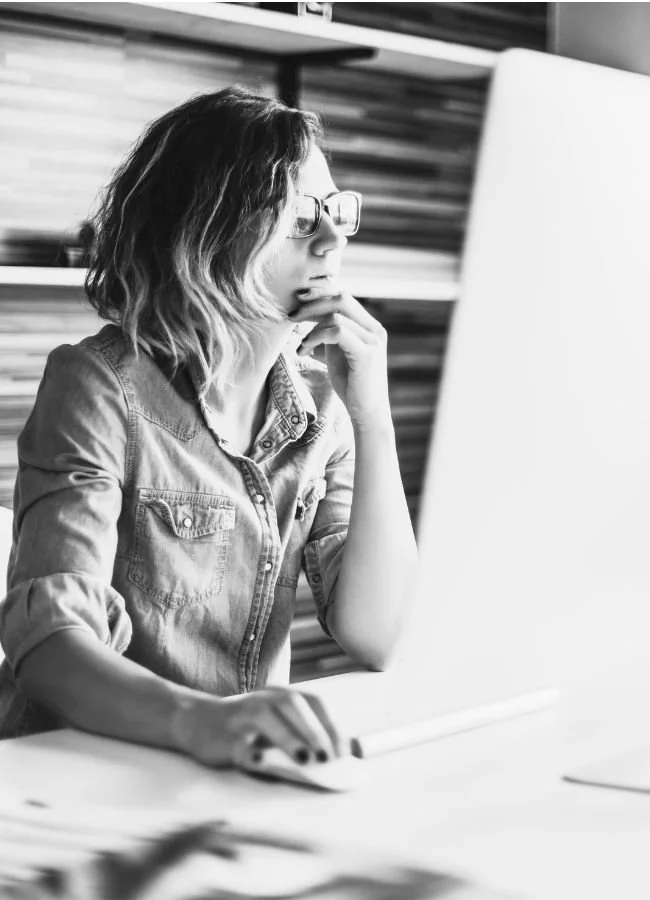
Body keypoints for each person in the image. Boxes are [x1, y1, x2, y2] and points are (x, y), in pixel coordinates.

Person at [0, 87, 418, 769]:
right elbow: (49, 647)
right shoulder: (97, 385)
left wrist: (373, 418)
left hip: (230, 774)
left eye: (337, 211)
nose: (335, 238)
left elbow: (379, 634)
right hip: (87, 771)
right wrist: (204, 724)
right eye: (301, 219)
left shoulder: (323, 405)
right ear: (208, 236)